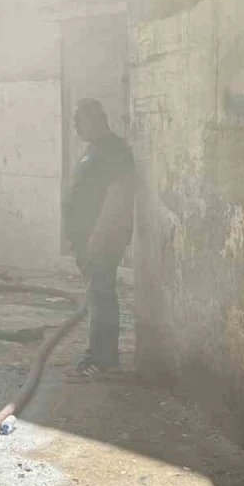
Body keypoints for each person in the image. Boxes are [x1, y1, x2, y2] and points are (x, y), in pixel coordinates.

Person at [62, 98, 135, 379]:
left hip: (103, 238)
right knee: (97, 295)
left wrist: (99, 234)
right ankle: (99, 356)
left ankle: (101, 361)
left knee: (101, 295)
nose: (75, 126)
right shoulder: (94, 149)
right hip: (88, 238)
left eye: (78, 120)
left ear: (95, 118)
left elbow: (117, 196)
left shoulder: (115, 150)